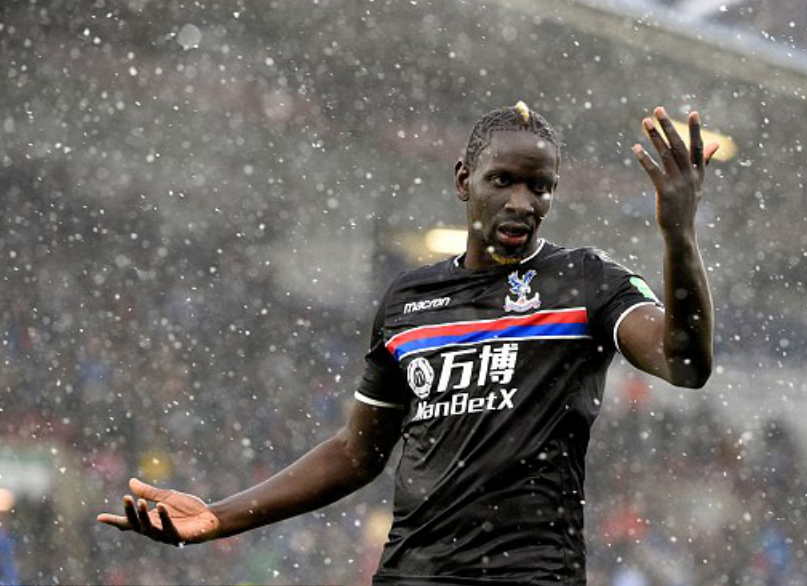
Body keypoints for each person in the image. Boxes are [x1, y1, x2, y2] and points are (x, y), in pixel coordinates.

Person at [97, 101, 718, 585]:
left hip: (530, 574)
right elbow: (356, 453)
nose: (522, 202)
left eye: (540, 187)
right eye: (503, 180)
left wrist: (679, 236)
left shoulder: (585, 280)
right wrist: (217, 517)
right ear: (463, 180)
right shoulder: (409, 300)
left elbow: (685, 363)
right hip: (412, 573)